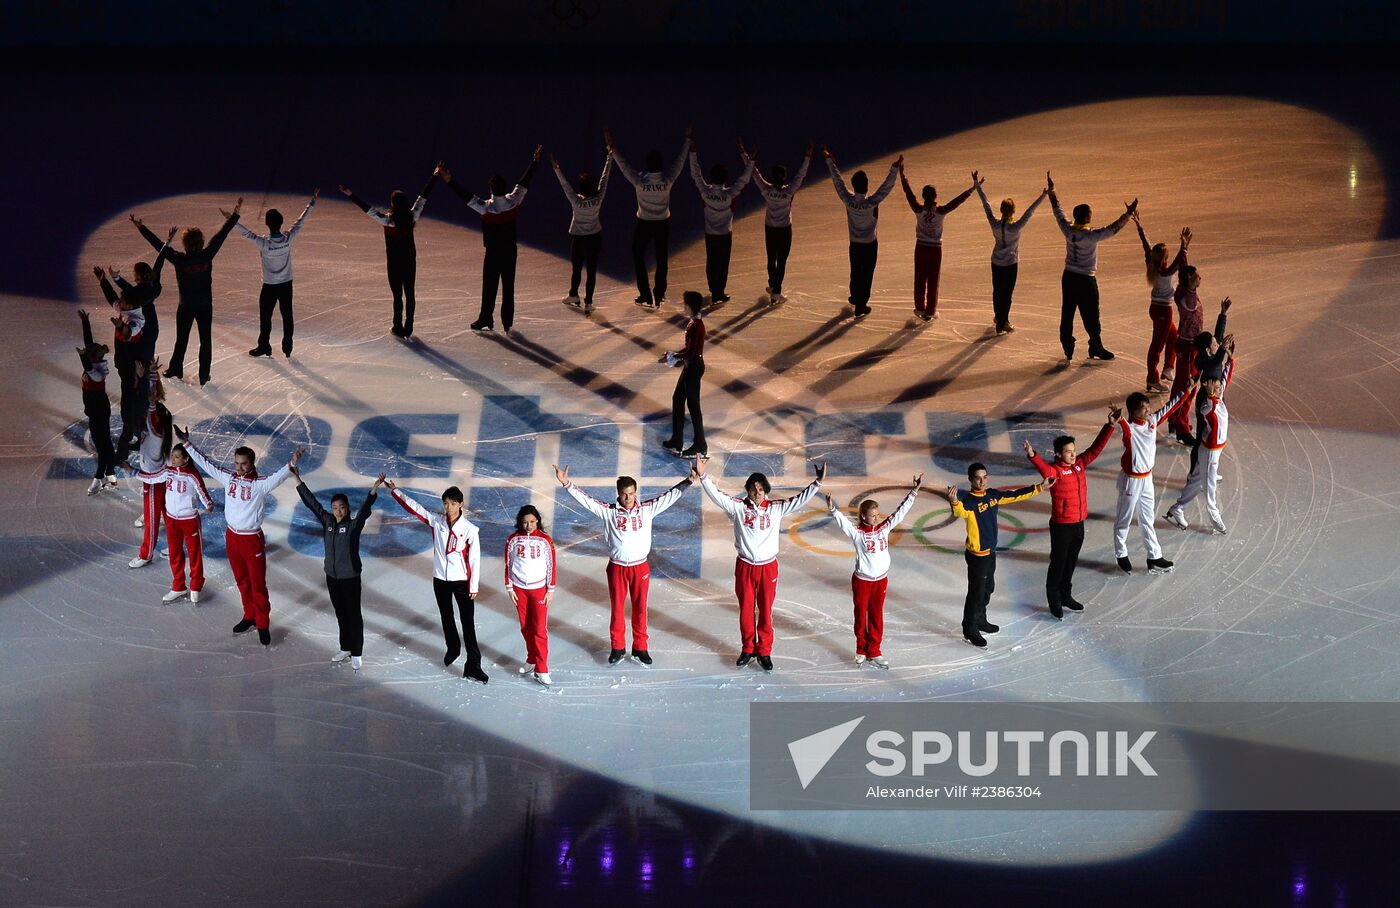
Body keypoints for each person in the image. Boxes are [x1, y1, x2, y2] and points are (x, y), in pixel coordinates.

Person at [555, 462, 695, 665]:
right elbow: (587, 501)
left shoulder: (647, 509)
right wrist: (566, 483)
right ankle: (618, 647)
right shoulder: (609, 512)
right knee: (618, 609)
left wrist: (690, 480)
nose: (628, 498)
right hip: (617, 567)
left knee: (640, 608)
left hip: (640, 568)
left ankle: (640, 648)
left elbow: (670, 496)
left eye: (631, 493)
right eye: (624, 494)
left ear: (636, 492)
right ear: (618, 494)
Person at [176, 426, 305, 646]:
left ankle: (262, 623)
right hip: (231, 537)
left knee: (257, 584)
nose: (239, 467)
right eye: (236, 463)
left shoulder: (260, 484)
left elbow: (280, 476)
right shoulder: (229, 478)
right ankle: (250, 616)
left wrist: (291, 463)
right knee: (242, 581)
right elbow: (207, 464)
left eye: (243, 463)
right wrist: (187, 444)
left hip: (251, 539)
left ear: (252, 463)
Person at [699, 458, 825, 671]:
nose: (757, 492)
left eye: (760, 488)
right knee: (746, 610)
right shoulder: (738, 507)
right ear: (747, 491)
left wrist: (817, 483)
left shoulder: (776, 508)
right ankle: (748, 649)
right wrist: (703, 477)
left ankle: (764, 651)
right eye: (753, 488)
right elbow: (717, 496)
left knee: (765, 610)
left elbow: (799, 499)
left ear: (766, 490)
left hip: (768, 568)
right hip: (745, 566)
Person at [384, 479, 488, 682]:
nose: (448, 507)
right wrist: (396, 491)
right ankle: (453, 647)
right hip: (440, 579)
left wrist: (473, 585)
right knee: (446, 616)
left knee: (468, 623)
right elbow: (415, 508)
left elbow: (474, 559)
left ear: (460, 504)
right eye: (445, 503)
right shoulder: (436, 522)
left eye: (452, 503)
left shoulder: (470, 530)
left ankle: (473, 665)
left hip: (462, 582)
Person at [132, 202, 242, 385]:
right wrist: (235, 215)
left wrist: (141, 228)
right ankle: (204, 375)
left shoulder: (179, 260)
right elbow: (222, 234)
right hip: (205, 305)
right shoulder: (208, 255)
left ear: (185, 244)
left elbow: (158, 246)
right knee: (205, 340)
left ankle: (176, 368)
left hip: (186, 306)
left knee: (181, 339)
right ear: (201, 242)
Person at [944, 464, 1052, 647]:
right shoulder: (969, 502)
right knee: (976, 593)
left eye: (985, 477)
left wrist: (1039, 487)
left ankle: (980, 619)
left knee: (988, 588)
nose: (982, 481)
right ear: (971, 479)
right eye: (978, 478)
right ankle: (970, 629)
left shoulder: (992, 495)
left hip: (990, 552)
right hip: (977, 555)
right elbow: (959, 511)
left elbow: (1014, 495)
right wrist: (954, 501)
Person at [1023, 410, 1116, 618]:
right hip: (1061, 526)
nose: (1073, 454)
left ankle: (1066, 594)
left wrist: (1109, 426)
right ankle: (1053, 597)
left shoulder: (1080, 465)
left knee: (1071, 561)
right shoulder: (1055, 471)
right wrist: (1033, 455)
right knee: (1058, 562)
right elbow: (1045, 471)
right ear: (1058, 454)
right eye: (1068, 452)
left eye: (1073, 451)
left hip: (1078, 524)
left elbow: (1096, 449)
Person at [824, 475, 922, 667]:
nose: (877, 518)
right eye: (873, 515)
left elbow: (900, 513)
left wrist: (914, 491)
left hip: (881, 581)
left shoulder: (883, 528)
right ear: (863, 516)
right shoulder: (857, 533)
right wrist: (833, 509)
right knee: (861, 615)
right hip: (862, 581)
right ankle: (861, 649)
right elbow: (843, 523)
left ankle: (874, 651)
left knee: (876, 615)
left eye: (878, 514)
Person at [442, 147, 542, 333]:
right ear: (504, 188)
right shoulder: (514, 201)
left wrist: (449, 181)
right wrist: (535, 162)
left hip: (493, 252)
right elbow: (524, 182)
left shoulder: (485, 207)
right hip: (510, 250)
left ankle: (486, 317)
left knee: (489, 286)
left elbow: (465, 196)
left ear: (490, 189)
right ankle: (507, 321)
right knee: (508, 285)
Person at [294, 468, 382, 670]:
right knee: (341, 613)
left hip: (350, 577)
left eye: (342, 507)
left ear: (347, 508)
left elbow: (365, 511)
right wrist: (297, 478)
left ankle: (357, 652)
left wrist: (374, 490)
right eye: (335, 508)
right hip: (332, 576)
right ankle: (346, 647)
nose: (338, 511)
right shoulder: (328, 522)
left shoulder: (353, 526)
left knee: (353, 614)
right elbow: (312, 504)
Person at [340, 165, 441, 338]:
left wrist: (350, 194)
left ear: (393, 204)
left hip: (394, 263)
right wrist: (434, 176)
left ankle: (397, 325)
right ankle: (408, 327)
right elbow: (423, 196)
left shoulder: (387, 220)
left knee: (397, 296)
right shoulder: (412, 216)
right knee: (410, 294)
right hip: (409, 261)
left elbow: (367, 209)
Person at [1047, 172, 1136, 361]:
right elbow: (1113, 229)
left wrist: (1052, 192)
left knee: (1068, 310)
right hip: (1086, 280)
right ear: (1087, 217)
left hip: (1069, 277)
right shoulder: (1091, 236)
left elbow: (1058, 212)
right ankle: (1095, 344)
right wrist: (1128, 214)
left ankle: (1067, 343)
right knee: (1092, 313)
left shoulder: (1068, 229)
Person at [1111, 382, 1197, 575]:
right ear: (1133, 412)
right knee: (1124, 518)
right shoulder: (1128, 428)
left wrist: (1187, 391)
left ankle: (1154, 556)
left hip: (1147, 480)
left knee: (1147, 519)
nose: (1148, 410)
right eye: (1143, 408)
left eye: (1148, 406)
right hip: (1131, 481)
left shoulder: (1151, 420)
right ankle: (1121, 552)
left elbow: (1170, 407)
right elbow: (1123, 429)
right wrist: (1119, 419)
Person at [607, 128, 689, 308]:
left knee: (638, 256)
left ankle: (645, 294)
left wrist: (612, 148)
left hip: (644, 224)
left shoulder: (639, 181)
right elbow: (680, 162)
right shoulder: (667, 180)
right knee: (662, 259)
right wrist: (688, 140)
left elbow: (624, 166)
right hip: (662, 225)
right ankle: (659, 294)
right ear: (661, 164)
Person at [1167, 325, 1236, 535]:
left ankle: (1177, 509)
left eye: (1218, 386)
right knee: (1209, 488)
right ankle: (1215, 519)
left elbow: (1225, 375)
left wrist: (1230, 358)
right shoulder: (1208, 405)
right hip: (1210, 452)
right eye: (1214, 386)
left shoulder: (1218, 396)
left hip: (1216, 448)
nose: (1219, 387)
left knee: (1197, 481)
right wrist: (1211, 394)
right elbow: (1209, 402)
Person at [236, 190, 318, 358]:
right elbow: (301, 222)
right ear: (280, 223)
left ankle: (264, 346)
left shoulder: (264, 244)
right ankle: (287, 348)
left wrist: (232, 219)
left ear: (267, 224)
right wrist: (312, 202)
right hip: (286, 284)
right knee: (287, 316)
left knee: (265, 318)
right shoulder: (288, 239)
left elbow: (247, 233)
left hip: (270, 286)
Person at [822, 147, 901, 318]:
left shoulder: (848, 200)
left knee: (856, 270)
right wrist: (894, 169)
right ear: (866, 186)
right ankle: (861, 304)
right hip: (870, 245)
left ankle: (855, 296)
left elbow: (838, 182)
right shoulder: (872, 202)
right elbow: (885, 188)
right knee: (867, 273)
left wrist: (829, 161)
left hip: (855, 244)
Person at [898, 164, 976, 321]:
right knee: (933, 280)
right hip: (935, 250)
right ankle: (930, 310)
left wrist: (902, 176)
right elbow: (956, 202)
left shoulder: (919, 210)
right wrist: (972, 189)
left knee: (920, 278)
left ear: (924, 196)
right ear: (935, 196)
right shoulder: (940, 211)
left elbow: (909, 194)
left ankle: (920, 307)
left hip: (920, 248)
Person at [974, 175, 1047, 334]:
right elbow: (1030, 212)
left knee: (997, 291)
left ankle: (998, 317)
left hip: (996, 262)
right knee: (1006, 293)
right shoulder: (1016, 228)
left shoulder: (994, 224)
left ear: (1001, 210)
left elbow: (985, 205)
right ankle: (1003, 322)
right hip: (1010, 264)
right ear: (1013, 211)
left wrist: (977, 185)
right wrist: (1043, 195)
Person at [688, 135, 754, 304]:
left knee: (712, 261)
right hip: (725, 234)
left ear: (711, 177)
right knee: (723, 263)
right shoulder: (730, 195)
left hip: (710, 234)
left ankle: (713, 289)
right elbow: (744, 180)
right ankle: (719, 292)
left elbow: (696, 174)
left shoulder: (705, 193)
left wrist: (693, 153)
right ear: (725, 178)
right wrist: (749, 159)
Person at [1133, 212, 1190, 391]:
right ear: (1164, 258)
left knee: (1173, 337)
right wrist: (1184, 246)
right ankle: (1152, 378)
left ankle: (1168, 368)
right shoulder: (1165, 272)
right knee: (1157, 345)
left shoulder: (1151, 263)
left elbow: (1146, 245)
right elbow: (1181, 263)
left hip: (1155, 309)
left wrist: (1139, 226)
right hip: (1164, 311)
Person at [751, 142, 812, 305]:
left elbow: (754, 174)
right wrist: (808, 156)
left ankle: (773, 285)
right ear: (784, 177)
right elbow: (800, 176)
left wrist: (747, 157)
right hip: (784, 230)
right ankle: (776, 292)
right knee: (781, 261)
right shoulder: (788, 192)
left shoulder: (766, 190)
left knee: (772, 258)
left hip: (770, 229)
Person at [552, 149, 611, 314]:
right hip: (594, 238)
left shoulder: (576, 200)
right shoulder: (598, 199)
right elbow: (604, 179)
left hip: (579, 238)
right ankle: (588, 302)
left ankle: (574, 294)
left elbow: (565, 186)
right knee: (591, 270)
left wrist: (557, 169)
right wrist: (609, 157)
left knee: (577, 268)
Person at [504, 505, 557, 685]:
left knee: (540, 630)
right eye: (525, 522)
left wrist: (550, 589)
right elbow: (508, 564)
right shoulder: (513, 540)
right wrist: (509, 587)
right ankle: (532, 658)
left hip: (539, 590)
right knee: (526, 627)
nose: (529, 525)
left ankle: (542, 669)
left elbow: (551, 565)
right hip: (519, 590)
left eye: (532, 522)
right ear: (520, 522)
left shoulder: (545, 541)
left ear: (538, 521)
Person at [157, 443, 214, 604]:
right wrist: (133, 471)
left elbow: (202, 491)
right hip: (171, 519)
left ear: (186, 459)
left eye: (177, 457)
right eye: (172, 456)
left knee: (194, 553)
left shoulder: (192, 475)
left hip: (189, 520)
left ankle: (195, 586)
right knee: (174, 554)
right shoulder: (167, 472)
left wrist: (208, 503)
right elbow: (152, 477)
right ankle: (178, 586)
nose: (173, 459)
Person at [131, 369, 173, 570]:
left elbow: (152, 402)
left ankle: (146, 554)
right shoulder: (160, 430)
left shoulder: (156, 431)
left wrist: (152, 379)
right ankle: (174, 546)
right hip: (159, 478)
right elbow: (153, 401)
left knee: (152, 521)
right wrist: (153, 374)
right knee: (169, 515)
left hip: (153, 482)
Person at [76, 310, 118, 494]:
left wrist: (83, 356)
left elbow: (86, 363)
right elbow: (88, 343)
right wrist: (85, 322)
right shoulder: (94, 362)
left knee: (102, 446)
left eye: (88, 355)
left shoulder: (98, 373)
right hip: (95, 410)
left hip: (99, 411)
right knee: (105, 443)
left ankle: (99, 478)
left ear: (93, 358)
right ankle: (110, 473)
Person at [661, 291, 707, 458]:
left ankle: (700, 444)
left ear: (689, 305)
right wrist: (672, 355)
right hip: (690, 366)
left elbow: (691, 351)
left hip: (694, 368)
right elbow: (688, 350)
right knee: (677, 399)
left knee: (694, 407)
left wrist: (674, 356)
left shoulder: (697, 325)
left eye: (685, 303)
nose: (683, 306)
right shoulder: (693, 322)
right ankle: (677, 439)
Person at [1166, 265, 1207, 444]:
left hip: (1186, 343)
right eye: (1197, 277)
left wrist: (1184, 249)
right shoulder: (1189, 298)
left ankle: (1174, 419)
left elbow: (1185, 274)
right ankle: (1182, 428)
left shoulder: (1181, 291)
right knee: (1189, 389)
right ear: (1190, 281)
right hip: (1190, 347)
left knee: (1179, 385)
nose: (1200, 279)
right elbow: (1188, 277)